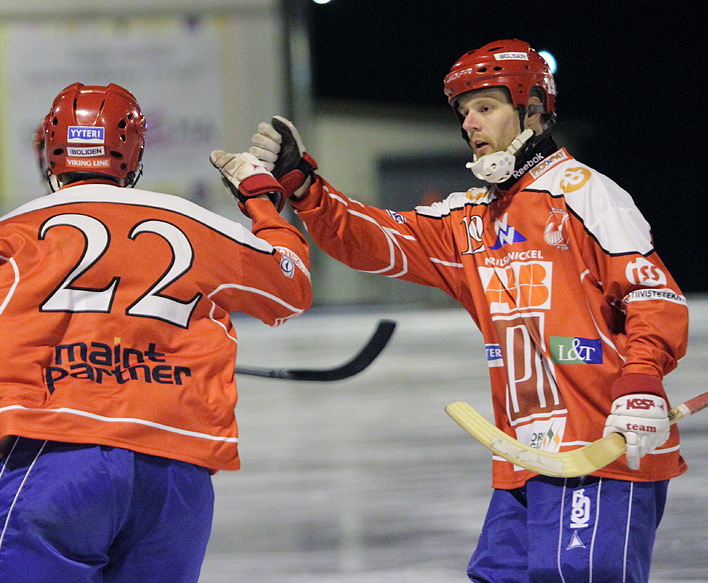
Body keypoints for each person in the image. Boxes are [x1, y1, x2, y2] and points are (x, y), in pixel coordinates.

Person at [244, 39, 688, 582]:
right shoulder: (470, 220)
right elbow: (370, 238)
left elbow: (653, 295)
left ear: (533, 109)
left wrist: (641, 378)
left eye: (486, 107)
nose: (471, 124)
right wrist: (305, 186)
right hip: (525, 461)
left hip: (603, 451)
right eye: (464, 112)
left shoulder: (586, 194)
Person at [0, 82, 312, 583]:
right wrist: (262, 200)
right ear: (132, 154)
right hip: (176, 478)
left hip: (53, 462)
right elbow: (291, 287)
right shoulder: (195, 224)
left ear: (50, 151)